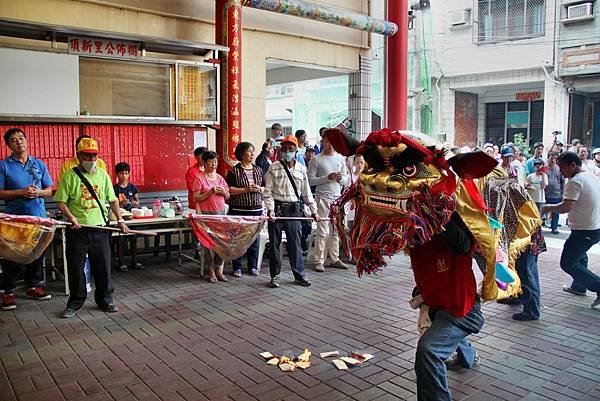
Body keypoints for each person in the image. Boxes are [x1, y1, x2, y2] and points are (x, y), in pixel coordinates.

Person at [411, 212, 484, 401]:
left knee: (429, 350)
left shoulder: (454, 226)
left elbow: (462, 244)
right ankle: (469, 356)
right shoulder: (412, 229)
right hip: (438, 305)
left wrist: (438, 211)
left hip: (461, 311)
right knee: (441, 334)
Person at [55, 137, 130, 318]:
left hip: (100, 229)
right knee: (76, 267)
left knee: (103, 266)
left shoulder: (103, 175)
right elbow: (60, 201)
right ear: (78, 155)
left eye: (94, 155)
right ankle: (75, 302)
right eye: (87, 155)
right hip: (77, 229)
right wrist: (71, 217)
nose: (91, 159)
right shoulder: (69, 176)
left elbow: (112, 200)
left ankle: (105, 299)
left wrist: (120, 220)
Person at [0, 128, 53, 311]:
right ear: (9, 145)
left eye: (21, 138)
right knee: (12, 256)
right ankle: (7, 293)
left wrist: (37, 192)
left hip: (38, 219)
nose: (19, 142)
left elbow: (49, 190)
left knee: (36, 254)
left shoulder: (38, 164)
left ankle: (33, 286)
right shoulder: (4, 166)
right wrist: (20, 192)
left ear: (27, 140)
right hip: (15, 221)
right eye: (14, 140)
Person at [541, 151, 600, 309]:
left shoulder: (575, 181)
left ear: (573, 165)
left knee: (568, 262)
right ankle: (579, 286)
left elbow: (566, 206)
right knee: (580, 255)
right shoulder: (589, 176)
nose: (560, 171)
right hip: (591, 227)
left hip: (585, 230)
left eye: (562, 167)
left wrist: (547, 208)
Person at [263, 135, 320, 288]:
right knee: (274, 245)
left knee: (295, 245)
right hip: (277, 210)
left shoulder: (302, 169)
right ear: (280, 150)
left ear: (296, 150)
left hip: (295, 210)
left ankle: (299, 275)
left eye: (291, 149)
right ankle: (275, 276)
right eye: (285, 149)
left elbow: (306, 193)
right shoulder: (273, 167)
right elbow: (267, 192)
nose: (288, 151)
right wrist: (270, 209)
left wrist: (314, 211)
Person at [308, 128, 349, 272]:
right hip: (322, 198)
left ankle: (335, 258)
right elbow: (311, 181)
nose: (330, 145)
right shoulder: (316, 159)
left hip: (337, 198)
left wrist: (340, 178)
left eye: (333, 142)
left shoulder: (340, 158)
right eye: (327, 141)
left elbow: (346, 179)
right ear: (323, 141)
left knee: (336, 230)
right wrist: (327, 178)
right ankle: (319, 260)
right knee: (323, 230)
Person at [226, 142, 264, 277]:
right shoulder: (233, 170)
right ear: (241, 154)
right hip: (238, 209)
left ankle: (252, 266)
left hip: (256, 210)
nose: (252, 154)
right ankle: (237, 267)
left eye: (253, 151)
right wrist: (245, 190)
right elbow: (228, 189)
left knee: (254, 238)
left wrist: (260, 189)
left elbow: (266, 187)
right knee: (238, 239)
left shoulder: (258, 169)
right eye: (249, 151)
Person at [193, 151, 230, 283]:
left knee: (222, 243)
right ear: (204, 162)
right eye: (210, 162)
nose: (213, 164)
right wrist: (210, 192)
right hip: (205, 215)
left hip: (220, 214)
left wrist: (224, 192)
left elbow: (228, 195)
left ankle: (218, 268)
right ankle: (210, 270)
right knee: (207, 244)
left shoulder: (220, 178)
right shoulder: (199, 178)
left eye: (215, 162)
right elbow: (196, 197)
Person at [113, 162, 143, 272]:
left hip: (131, 218)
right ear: (117, 174)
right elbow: (112, 204)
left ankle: (135, 261)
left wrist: (135, 203)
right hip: (120, 218)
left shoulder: (132, 187)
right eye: (121, 173)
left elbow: (137, 201)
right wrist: (121, 204)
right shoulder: (114, 188)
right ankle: (122, 263)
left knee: (133, 238)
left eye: (126, 173)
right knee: (120, 239)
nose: (124, 176)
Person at [511, 229, 546, 321]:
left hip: (525, 239)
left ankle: (531, 311)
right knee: (522, 272)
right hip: (524, 238)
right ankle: (518, 298)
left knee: (526, 275)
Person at [544, 152, 563, 234]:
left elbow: (562, 181)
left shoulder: (559, 168)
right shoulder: (544, 168)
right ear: (548, 158)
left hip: (556, 193)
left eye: (555, 158)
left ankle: (554, 227)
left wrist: (563, 193)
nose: (553, 160)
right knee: (542, 210)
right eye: (551, 158)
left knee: (556, 211)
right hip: (545, 193)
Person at [185, 146, 207, 211]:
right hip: (195, 205)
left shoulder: (210, 170)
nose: (204, 158)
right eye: (201, 156)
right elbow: (192, 188)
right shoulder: (191, 171)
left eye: (205, 156)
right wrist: (209, 191)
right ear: (196, 157)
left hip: (209, 205)